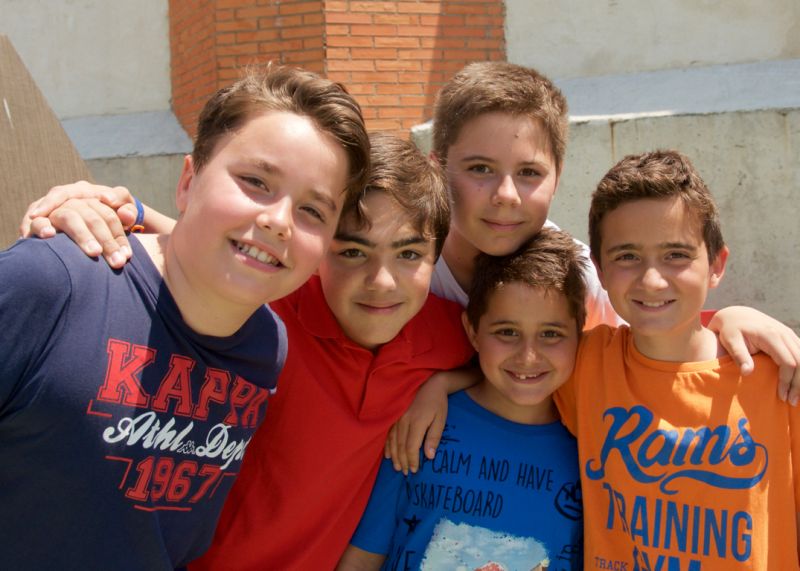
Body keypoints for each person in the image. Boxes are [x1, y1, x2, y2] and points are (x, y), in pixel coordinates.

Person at [0, 64, 370, 570]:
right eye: (256, 181)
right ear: (189, 181)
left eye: (313, 211)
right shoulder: (52, 284)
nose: (279, 221)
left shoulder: (266, 346)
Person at [383, 61, 800, 472]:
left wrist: (725, 320)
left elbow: (648, 343)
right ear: (437, 167)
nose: (506, 194)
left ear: (558, 176)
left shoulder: (580, 274)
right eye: (480, 169)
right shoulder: (399, 265)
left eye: (529, 172)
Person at [555, 149, 800, 569]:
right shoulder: (583, 365)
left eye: (676, 255)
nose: (652, 280)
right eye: (627, 256)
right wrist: (444, 384)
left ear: (716, 265)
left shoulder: (778, 376)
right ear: (599, 269)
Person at [338, 228, 586, 571]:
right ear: (472, 331)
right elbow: (364, 557)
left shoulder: (590, 447)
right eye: (507, 332)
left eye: (550, 334)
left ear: (580, 333)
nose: (528, 356)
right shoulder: (422, 423)